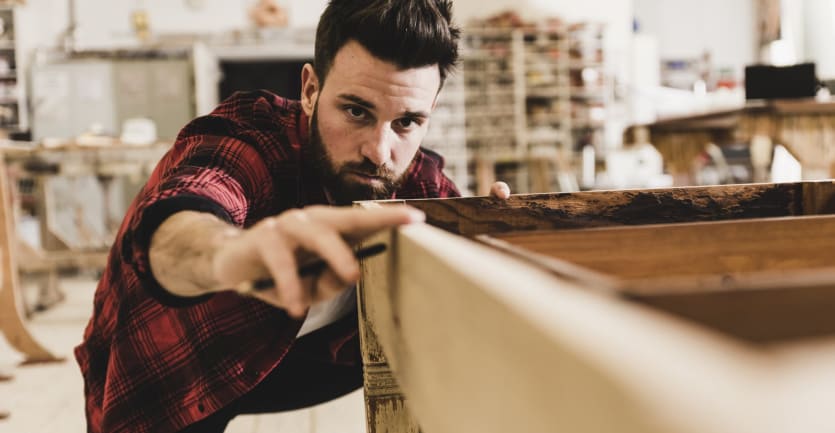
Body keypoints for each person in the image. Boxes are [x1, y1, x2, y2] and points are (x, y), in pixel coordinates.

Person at [75, 1, 510, 432]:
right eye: (356, 111)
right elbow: (187, 209)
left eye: (407, 122)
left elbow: (472, 261)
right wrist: (230, 254)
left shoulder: (418, 181)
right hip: (185, 353)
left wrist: (499, 235)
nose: (379, 151)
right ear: (309, 90)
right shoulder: (251, 139)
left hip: (303, 356)